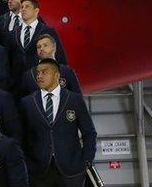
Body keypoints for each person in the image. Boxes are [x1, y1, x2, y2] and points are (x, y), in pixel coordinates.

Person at [19, 58, 96, 187]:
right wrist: (27, 163)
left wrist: (86, 159)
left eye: (44, 72)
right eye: (38, 73)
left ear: (57, 75)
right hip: (39, 172)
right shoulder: (27, 102)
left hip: (72, 170)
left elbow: (89, 132)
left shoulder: (74, 100)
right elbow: (22, 136)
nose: (39, 76)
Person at [7, 0, 67, 92]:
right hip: (17, 85)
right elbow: (8, 59)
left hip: (40, 82)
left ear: (36, 11)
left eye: (27, 6)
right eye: (22, 7)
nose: (23, 9)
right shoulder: (12, 34)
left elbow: (60, 57)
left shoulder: (48, 31)